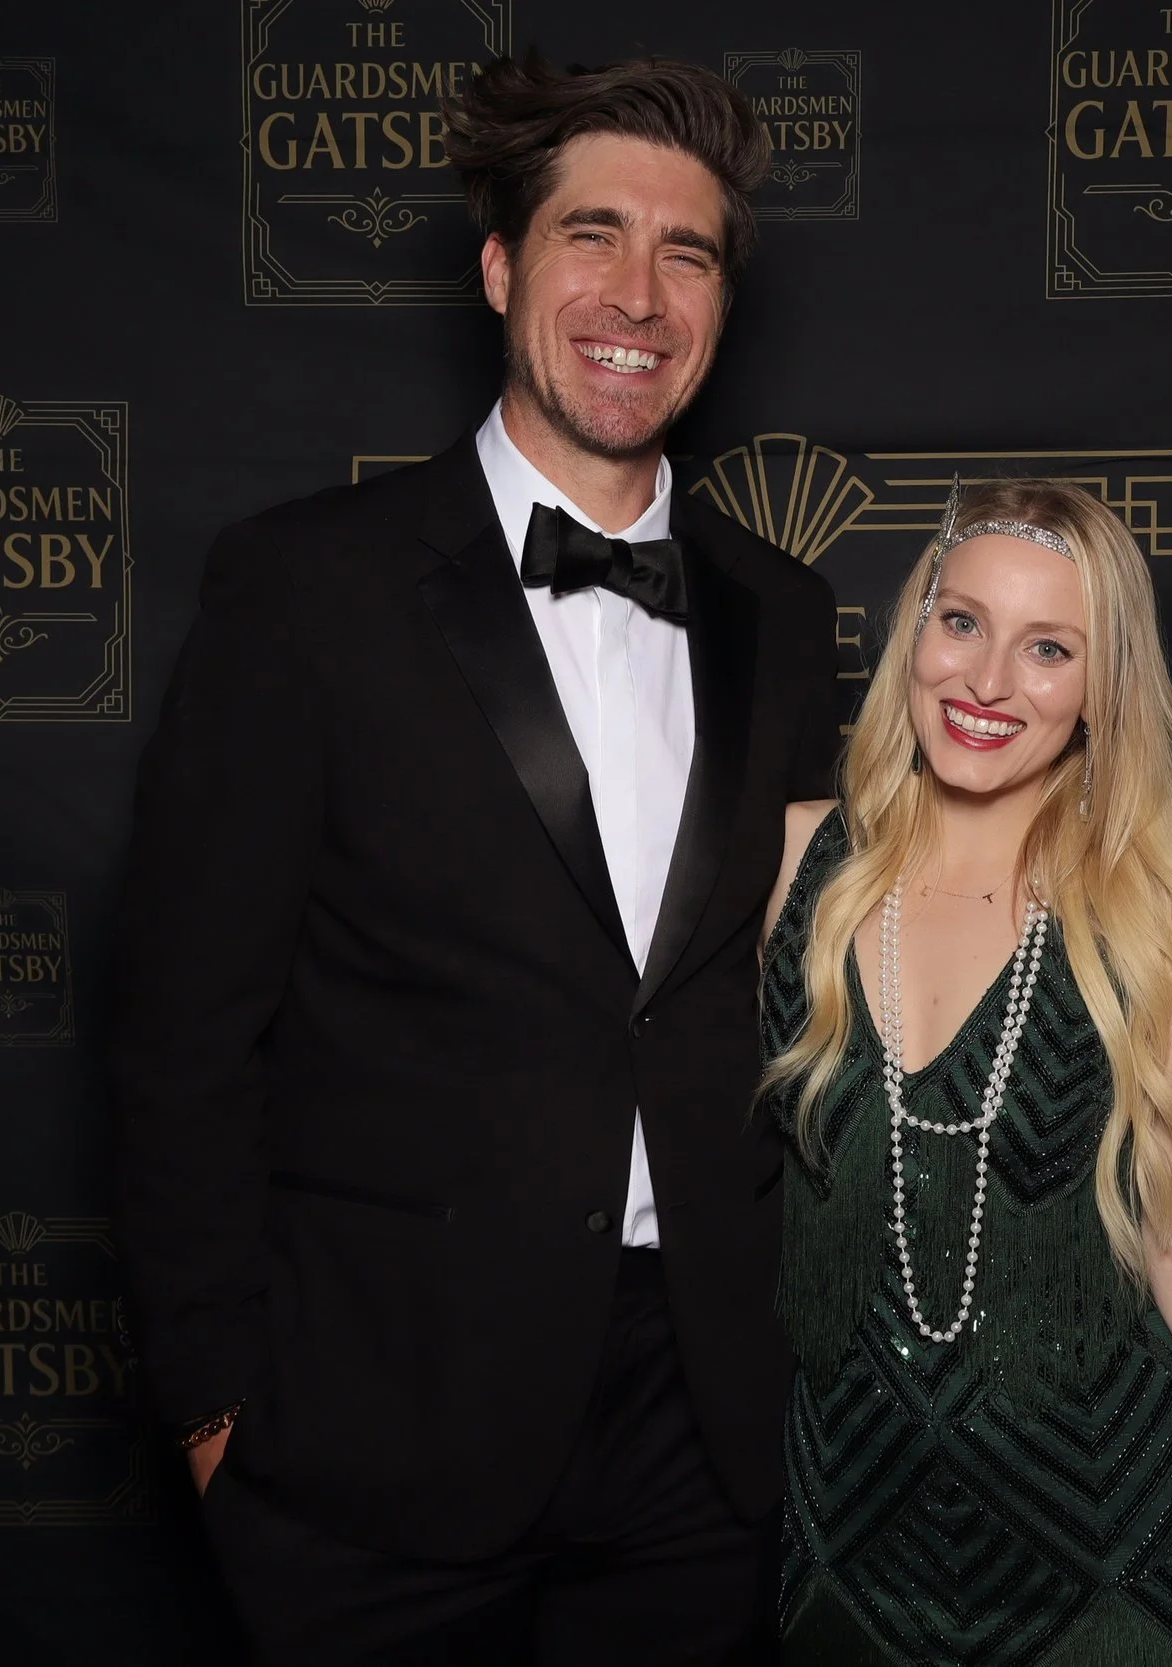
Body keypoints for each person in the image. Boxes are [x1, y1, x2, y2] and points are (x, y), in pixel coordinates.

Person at [107, 55, 837, 1666]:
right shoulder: (307, 588)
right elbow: (181, 1029)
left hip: (700, 1431)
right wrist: (214, 1410)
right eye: (593, 234)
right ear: (502, 267)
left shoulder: (783, 612)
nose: (637, 294)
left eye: (687, 252)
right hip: (375, 1420)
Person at [759, 480, 1172, 1667]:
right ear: (914, 630)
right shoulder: (795, 866)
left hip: (1119, 1556)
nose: (987, 681)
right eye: (962, 622)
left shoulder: (1152, 908)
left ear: (1101, 686)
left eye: (1048, 649)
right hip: (851, 1548)